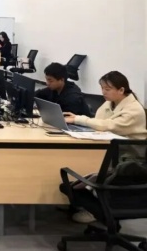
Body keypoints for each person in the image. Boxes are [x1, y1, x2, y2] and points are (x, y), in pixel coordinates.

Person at [63, 71, 147, 224]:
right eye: (102, 88)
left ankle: (96, 211)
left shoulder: (133, 110)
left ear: (121, 90)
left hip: (127, 159)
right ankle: (92, 203)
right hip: (110, 150)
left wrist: (78, 119)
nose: (103, 92)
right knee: (72, 178)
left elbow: (106, 126)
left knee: (76, 180)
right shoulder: (110, 103)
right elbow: (98, 123)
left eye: (107, 89)